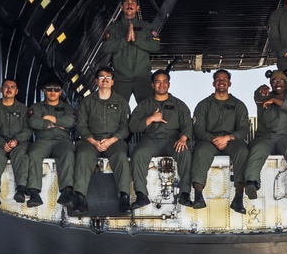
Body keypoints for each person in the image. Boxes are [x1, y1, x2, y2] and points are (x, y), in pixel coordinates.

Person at [243, 69, 287, 201]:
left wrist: (274, 100)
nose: (277, 83)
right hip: (265, 138)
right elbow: (257, 96)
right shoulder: (264, 96)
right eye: (273, 81)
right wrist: (261, 90)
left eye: (281, 81)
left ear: (286, 83)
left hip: (285, 137)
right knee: (257, 149)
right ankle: (251, 184)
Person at [129, 68, 193, 209]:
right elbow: (133, 126)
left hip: (173, 140)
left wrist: (183, 138)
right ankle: (141, 195)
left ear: (169, 84)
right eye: (158, 82)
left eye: (165, 81)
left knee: (185, 153)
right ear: (152, 85)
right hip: (150, 140)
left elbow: (187, 123)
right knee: (138, 154)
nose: (161, 84)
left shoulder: (179, 105)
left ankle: (185, 193)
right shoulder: (145, 105)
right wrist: (151, 118)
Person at [72, 66, 132, 214]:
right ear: (96, 81)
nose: (105, 80)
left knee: (121, 157)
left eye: (108, 78)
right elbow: (81, 126)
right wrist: (93, 141)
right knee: (83, 156)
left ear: (112, 82)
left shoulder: (121, 102)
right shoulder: (87, 101)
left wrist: (111, 140)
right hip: (91, 141)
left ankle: (124, 198)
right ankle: (80, 199)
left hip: (114, 141)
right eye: (101, 77)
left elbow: (126, 127)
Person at [191, 69, 249, 212]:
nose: (221, 81)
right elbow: (198, 129)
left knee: (243, 150)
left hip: (232, 140)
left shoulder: (239, 105)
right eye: (218, 79)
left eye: (224, 79)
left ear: (229, 83)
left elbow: (243, 129)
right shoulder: (203, 105)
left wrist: (228, 137)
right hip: (209, 141)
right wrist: (213, 139)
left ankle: (239, 197)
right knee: (200, 151)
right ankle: (198, 194)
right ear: (213, 83)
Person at [25, 74, 76, 208]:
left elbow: (70, 121)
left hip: (62, 140)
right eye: (49, 89)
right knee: (33, 153)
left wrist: (52, 119)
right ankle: (34, 192)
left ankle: (66, 191)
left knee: (68, 153)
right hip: (43, 140)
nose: (52, 92)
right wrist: (51, 125)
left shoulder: (68, 107)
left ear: (61, 91)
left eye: (56, 89)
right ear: (43, 90)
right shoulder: (37, 107)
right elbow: (32, 121)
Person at [102, 0, 162, 105]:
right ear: (121, 7)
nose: (130, 5)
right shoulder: (113, 28)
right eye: (126, 3)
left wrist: (136, 41)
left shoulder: (147, 27)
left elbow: (156, 46)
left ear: (137, 7)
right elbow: (106, 47)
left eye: (133, 3)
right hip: (121, 78)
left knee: (151, 109)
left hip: (143, 77)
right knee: (115, 111)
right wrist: (125, 40)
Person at [0, 77, 32, 208]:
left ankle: (21, 189)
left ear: (16, 91)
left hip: (18, 142)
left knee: (21, 155)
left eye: (12, 87)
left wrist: (16, 140)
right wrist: (1, 143)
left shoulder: (23, 109)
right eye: (6, 86)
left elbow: (28, 130)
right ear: (1, 90)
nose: (9, 89)